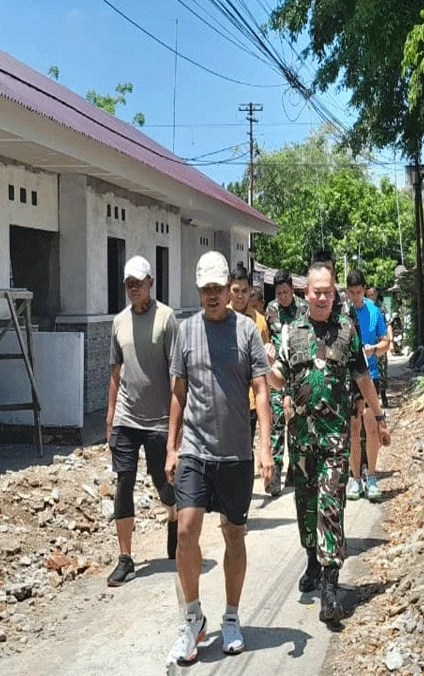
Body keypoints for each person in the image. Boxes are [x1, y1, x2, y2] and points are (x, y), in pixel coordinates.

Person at [165, 252, 273, 666]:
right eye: (205, 289)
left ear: (230, 289)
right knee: (186, 529)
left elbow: (261, 391)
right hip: (194, 447)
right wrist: (172, 446)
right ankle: (192, 618)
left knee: (234, 534)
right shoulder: (185, 331)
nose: (212, 296)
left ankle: (231, 617)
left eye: (218, 289)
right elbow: (178, 392)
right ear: (198, 290)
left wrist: (263, 447)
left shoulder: (246, 331)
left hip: (234, 453)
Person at [267, 262, 390, 625]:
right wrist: (265, 371)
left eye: (327, 291)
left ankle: (330, 587)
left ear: (333, 294)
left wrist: (379, 417)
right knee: (306, 507)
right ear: (307, 294)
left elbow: (362, 376)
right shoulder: (291, 333)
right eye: (316, 291)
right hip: (301, 443)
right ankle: (310, 559)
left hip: (336, 441)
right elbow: (278, 377)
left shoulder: (347, 331)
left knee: (331, 509)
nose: (321, 297)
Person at [105, 256, 179, 587]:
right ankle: (125, 558)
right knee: (124, 480)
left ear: (151, 281)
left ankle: (174, 516)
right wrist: (110, 417)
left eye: (139, 283)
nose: (134, 289)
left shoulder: (167, 319)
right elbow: (115, 372)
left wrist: (178, 425)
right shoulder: (118, 322)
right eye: (128, 284)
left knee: (162, 482)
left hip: (159, 419)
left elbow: (178, 375)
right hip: (126, 417)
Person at [344, 270, 391, 502]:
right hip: (349, 377)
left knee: (371, 425)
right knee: (353, 427)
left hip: (370, 373)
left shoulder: (374, 312)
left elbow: (386, 342)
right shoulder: (342, 312)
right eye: (351, 293)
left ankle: (371, 475)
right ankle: (355, 478)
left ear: (365, 289)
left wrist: (374, 349)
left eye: (359, 292)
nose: (355, 297)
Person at [264, 271, 309, 495]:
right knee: (277, 423)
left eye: (286, 292)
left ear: (292, 289)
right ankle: (274, 476)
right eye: (279, 292)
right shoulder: (271, 311)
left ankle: (296, 470)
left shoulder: (304, 310)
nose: (282, 296)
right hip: (277, 373)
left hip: (299, 373)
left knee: (297, 422)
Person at [228, 266, 273, 472]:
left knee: (245, 447)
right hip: (225, 395)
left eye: (244, 291)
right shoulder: (221, 316)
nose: (239, 296)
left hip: (251, 398)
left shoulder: (259, 322)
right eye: (235, 290)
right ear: (229, 290)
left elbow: (264, 363)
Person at [368, 285, 391, 408]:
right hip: (369, 345)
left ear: (376, 294)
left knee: (382, 370)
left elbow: (388, 325)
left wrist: (390, 342)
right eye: (369, 295)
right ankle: (373, 397)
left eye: (373, 294)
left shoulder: (381, 308)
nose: (371, 297)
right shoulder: (364, 307)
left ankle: (384, 394)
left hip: (381, 344)